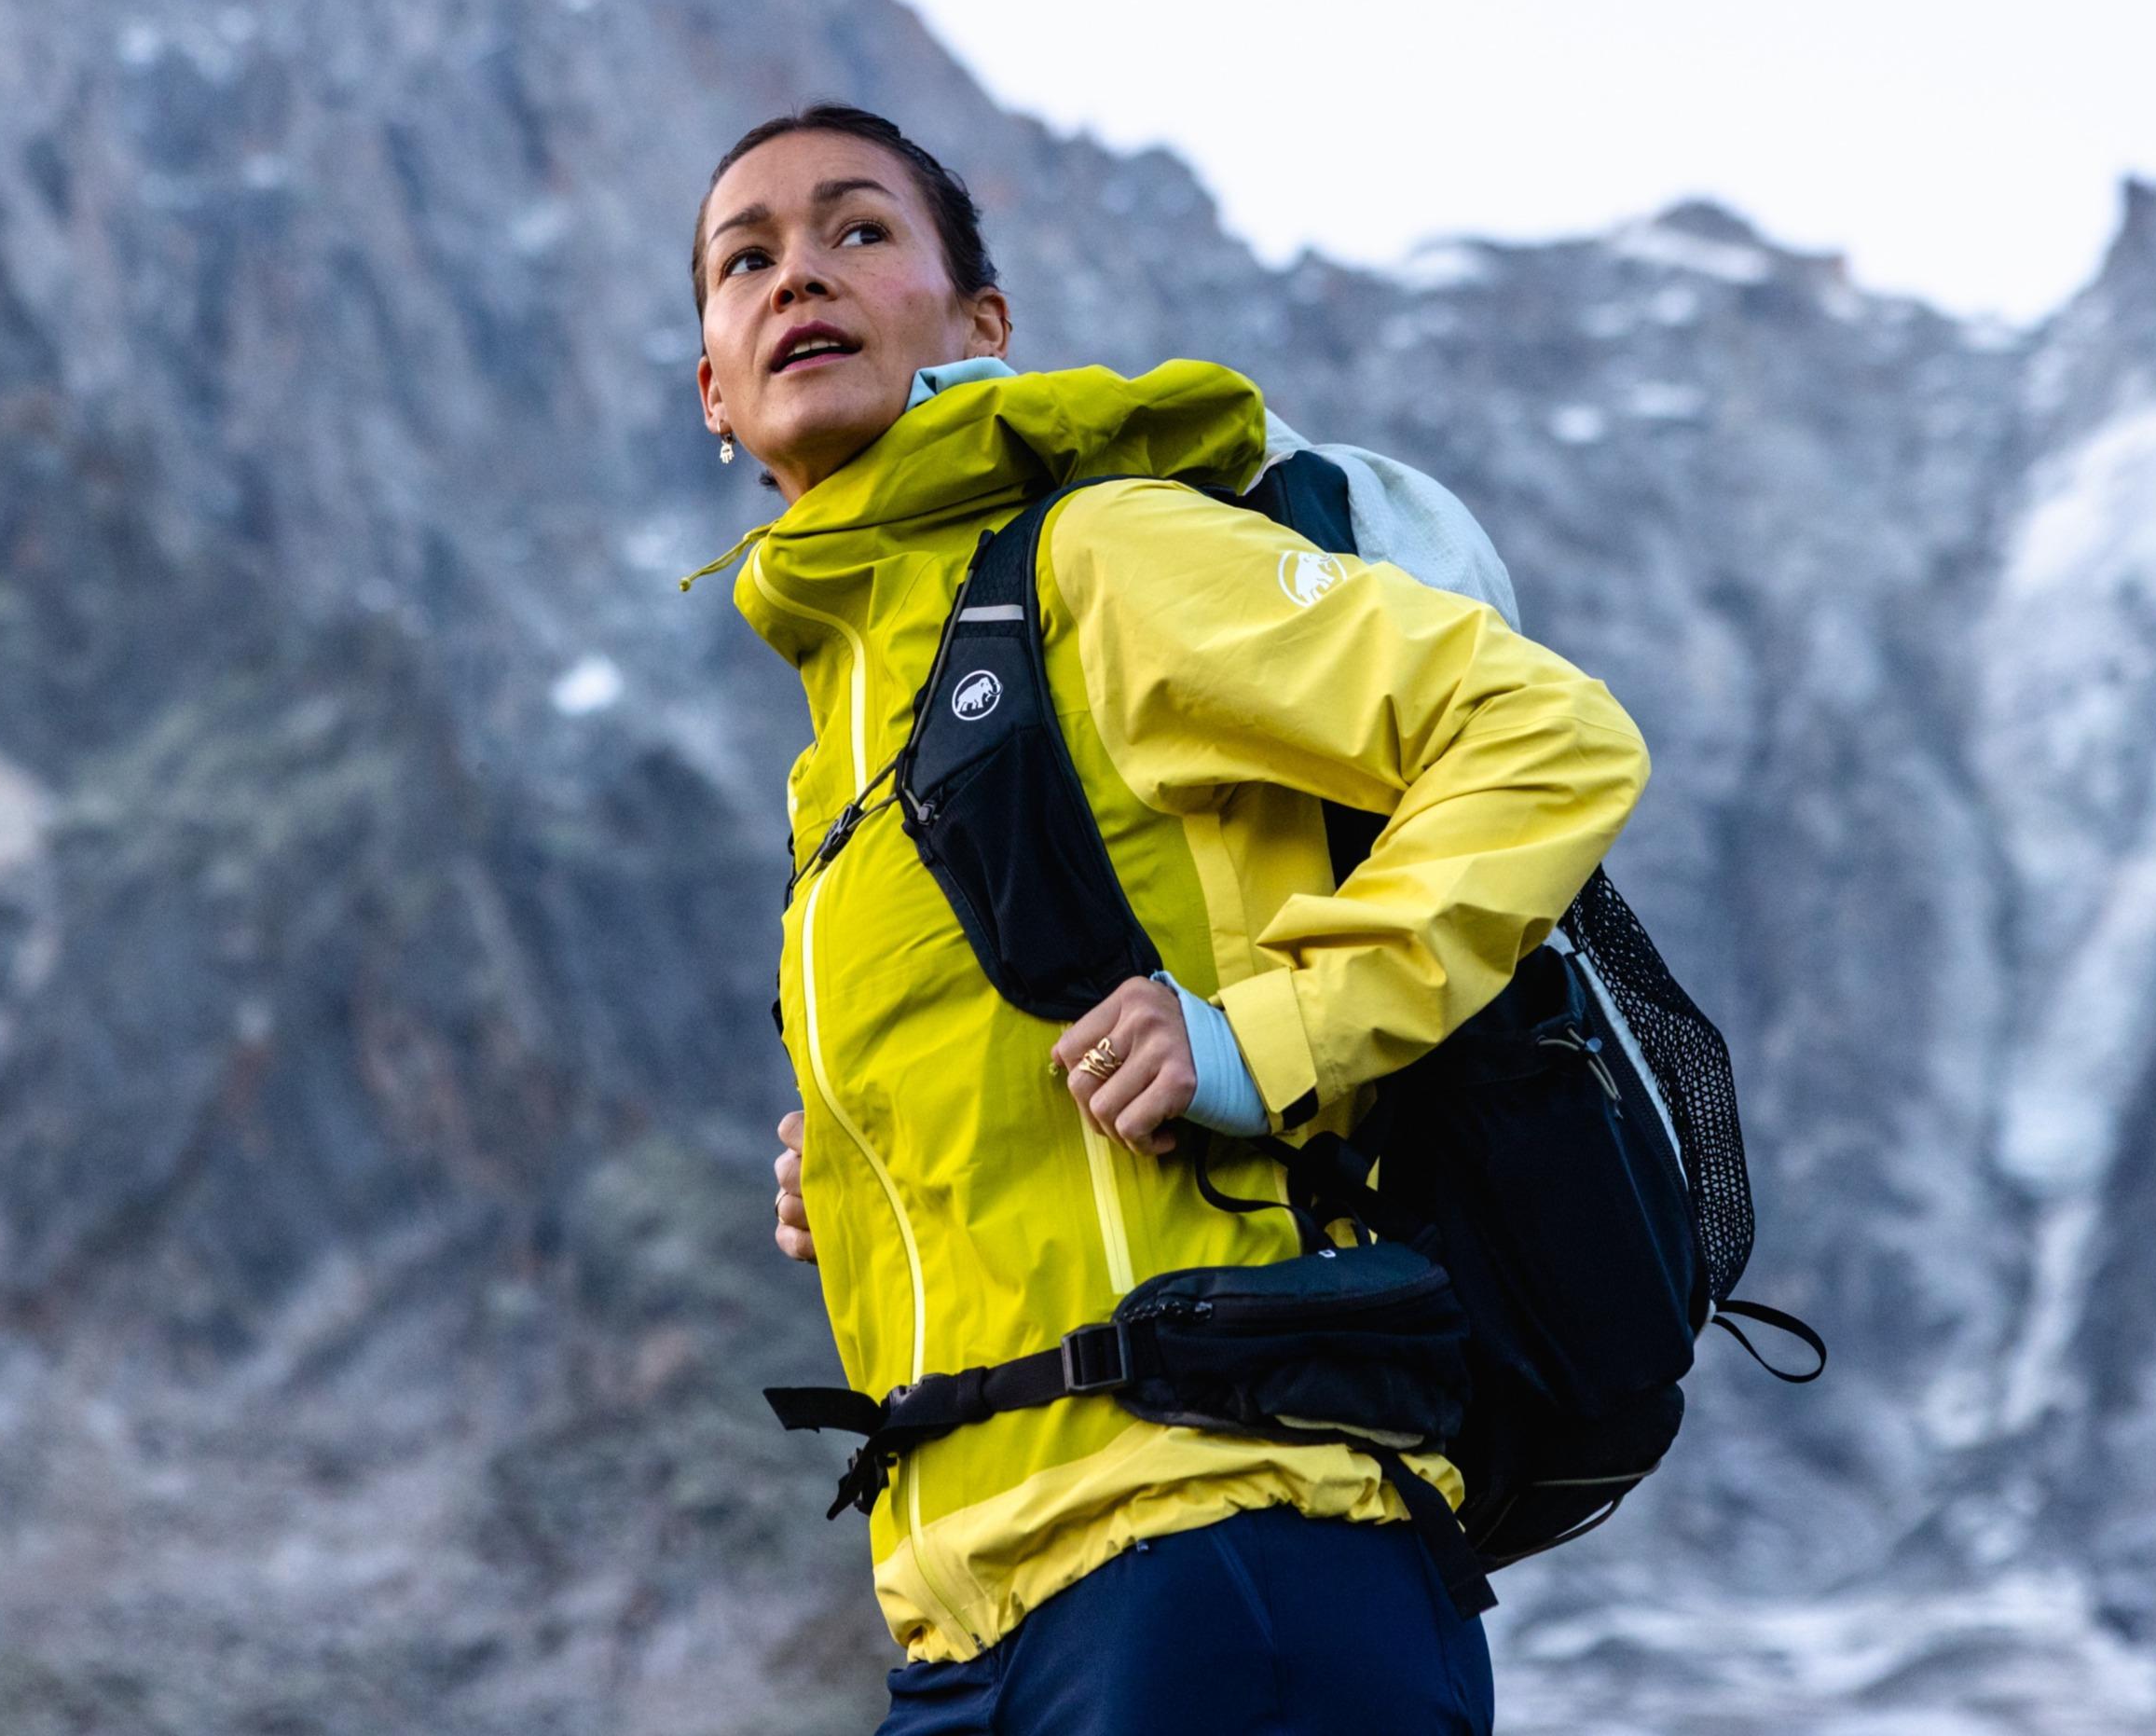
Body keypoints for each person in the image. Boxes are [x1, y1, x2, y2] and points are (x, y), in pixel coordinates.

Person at [691, 104, 1649, 1735]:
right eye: (746, 259)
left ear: (977, 330)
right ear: (713, 390)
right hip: (970, 1623)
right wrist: (859, 1164)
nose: (800, 277)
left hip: (1221, 1545)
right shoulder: (841, 731)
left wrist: (1260, 1037)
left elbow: (1544, 738)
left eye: (858, 232)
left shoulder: (1100, 556)